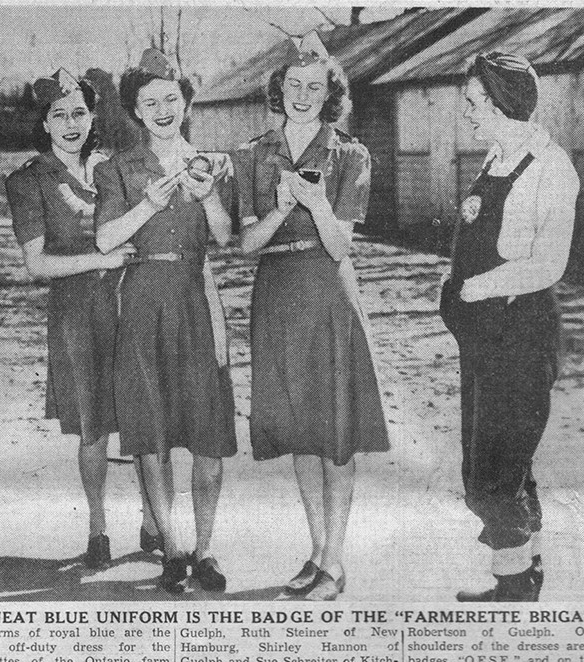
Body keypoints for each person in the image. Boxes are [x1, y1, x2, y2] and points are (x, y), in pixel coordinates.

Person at [235, 32, 390, 601]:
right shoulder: (254, 153)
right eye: (293, 85)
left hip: (328, 293)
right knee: (300, 428)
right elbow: (246, 244)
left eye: (314, 86)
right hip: (276, 291)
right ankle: (315, 548)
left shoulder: (350, 154)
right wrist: (279, 209)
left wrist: (317, 202)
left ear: (331, 93)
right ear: (280, 90)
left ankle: (337, 559)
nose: (303, 95)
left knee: (336, 431)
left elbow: (341, 246)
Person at [94, 49, 237, 595]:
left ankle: (206, 549)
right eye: (148, 102)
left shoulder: (211, 162)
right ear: (134, 110)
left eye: (170, 100)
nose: (161, 110)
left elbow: (224, 238)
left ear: (185, 104)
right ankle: (173, 551)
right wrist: (149, 206)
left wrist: (210, 197)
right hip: (144, 302)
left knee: (208, 434)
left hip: (197, 300)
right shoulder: (117, 169)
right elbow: (107, 239)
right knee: (150, 433)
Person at [439, 52, 580, 601]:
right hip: (483, 338)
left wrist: (477, 288)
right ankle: (527, 569)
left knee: (497, 465)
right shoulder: (496, 158)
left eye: (475, 103)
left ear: (502, 103)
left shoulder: (549, 167)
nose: (468, 114)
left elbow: (549, 263)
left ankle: (513, 586)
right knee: (494, 459)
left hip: (521, 335)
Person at [5, 69, 157, 569]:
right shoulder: (29, 180)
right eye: (58, 115)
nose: (70, 124)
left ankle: (154, 520)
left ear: (93, 118)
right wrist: (102, 260)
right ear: (44, 123)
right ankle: (98, 528)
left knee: (144, 417)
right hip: (77, 313)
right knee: (94, 428)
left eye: (79, 113)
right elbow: (36, 265)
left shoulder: (116, 168)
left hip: (131, 301)